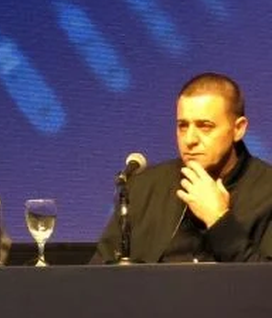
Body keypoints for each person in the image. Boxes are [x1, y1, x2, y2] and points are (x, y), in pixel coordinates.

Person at [92, 73, 272, 263]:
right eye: (183, 126)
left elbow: (264, 279)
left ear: (238, 129)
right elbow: (98, 274)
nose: (189, 139)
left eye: (205, 126)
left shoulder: (267, 191)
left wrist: (219, 220)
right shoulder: (143, 188)